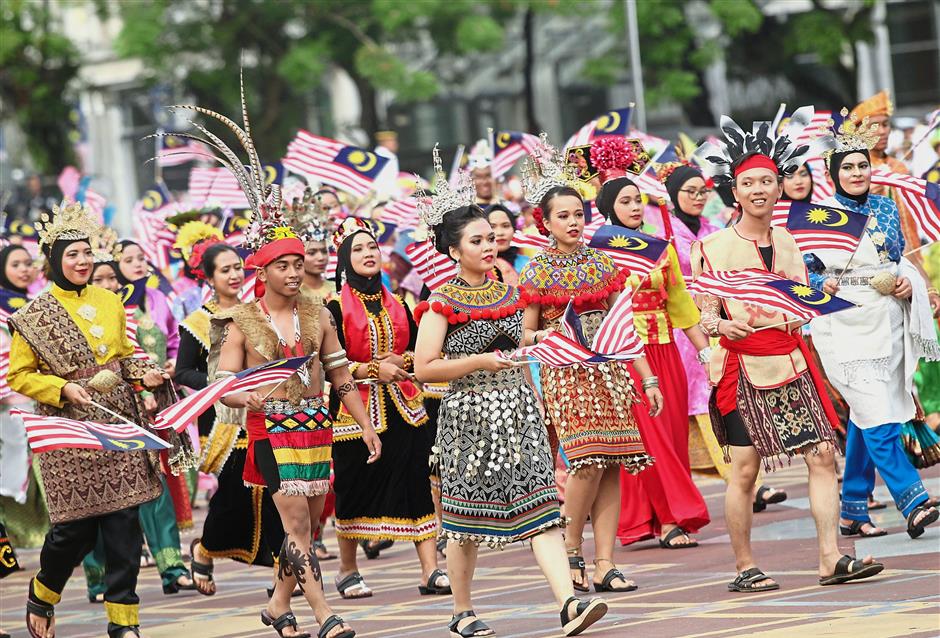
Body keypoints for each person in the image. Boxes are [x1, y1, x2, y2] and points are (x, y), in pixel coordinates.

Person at [183, 95, 379, 638]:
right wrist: (249, 397)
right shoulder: (239, 321)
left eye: (299, 264)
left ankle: (276, 606)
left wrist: (363, 426)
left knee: (313, 522)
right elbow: (222, 385)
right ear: (262, 271)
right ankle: (326, 615)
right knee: (297, 527)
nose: (295, 273)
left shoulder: (319, 313)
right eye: (284, 266)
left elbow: (340, 374)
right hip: (269, 432)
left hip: (317, 427)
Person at [412, 153, 609, 637]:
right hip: (469, 416)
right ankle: (462, 611)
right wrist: (479, 362)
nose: (489, 245)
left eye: (491, 238)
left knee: (543, 511)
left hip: (518, 410)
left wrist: (540, 344)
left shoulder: (510, 290)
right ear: (454, 250)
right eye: (476, 240)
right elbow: (424, 369)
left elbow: (517, 342)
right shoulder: (441, 301)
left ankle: (568, 604)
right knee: (464, 521)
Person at [691, 110, 884, 591]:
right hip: (743, 366)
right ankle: (744, 566)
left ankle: (830, 557)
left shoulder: (792, 239)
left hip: (793, 360)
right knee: (745, 469)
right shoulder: (711, 247)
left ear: (780, 188)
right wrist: (723, 325)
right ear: (734, 191)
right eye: (749, 182)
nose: (759, 190)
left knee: (822, 456)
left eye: (767, 181)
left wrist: (816, 304)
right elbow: (703, 315)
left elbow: (802, 299)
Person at [9, 202, 172, 638]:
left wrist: (147, 373)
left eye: (87, 253)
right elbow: (19, 376)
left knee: (124, 529)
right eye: (72, 255)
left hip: (117, 421)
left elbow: (123, 358)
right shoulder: (32, 316)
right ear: (55, 261)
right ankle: (43, 592)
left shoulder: (110, 301)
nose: (82, 262)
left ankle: (124, 624)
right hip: (70, 429)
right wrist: (61, 388)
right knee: (74, 533)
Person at [518, 137, 663, 595]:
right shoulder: (536, 271)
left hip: (610, 372)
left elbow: (623, 328)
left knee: (614, 463)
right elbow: (522, 335)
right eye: (563, 216)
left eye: (578, 214)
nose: (573, 222)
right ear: (545, 222)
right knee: (585, 461)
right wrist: (545, 335)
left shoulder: (604, 264)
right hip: (566, 374)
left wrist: (648, 377)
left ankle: (605, 562)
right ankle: (571, 546)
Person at [807, 111, 940, 539]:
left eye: (863, 164)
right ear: (832, 173)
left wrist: (909, 284)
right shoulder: (817, 216)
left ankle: (852, 507)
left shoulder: (884, 206)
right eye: (847, 166)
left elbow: (897, 257)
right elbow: (802, 272)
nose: (857, 172)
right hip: (845, 322)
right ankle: (913, 498)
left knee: (869, 411)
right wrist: (819, 280)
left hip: (888, 320)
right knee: (878, 413)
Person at [589, 139, 711, 549]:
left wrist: (705, 350)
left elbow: (679, 303)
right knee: (651, 437)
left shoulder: (663, 249)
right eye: (625, 202)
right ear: (609, 209)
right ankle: (675, 518)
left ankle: (648, 519)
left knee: (672, 437)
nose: (636, 207)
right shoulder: (600, 254)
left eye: (638, 200)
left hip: (667, 352)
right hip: (627, 357)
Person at [326, 216, 447, 599]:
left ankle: (430, 569)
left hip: (405, 405)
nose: (367, 254)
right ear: (345, 260)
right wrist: (374, 368)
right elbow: (332, 364)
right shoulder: (333, 307)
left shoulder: (401, 302)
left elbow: (416, 349)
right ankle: (347, 569)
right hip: (355, 409)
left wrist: (403, 362)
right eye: (358, 249)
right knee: (354, 485)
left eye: (372, 247)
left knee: (415, 482)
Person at [107, 238, 195, 594]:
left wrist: (172, 366)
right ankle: (106, 576)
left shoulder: (156, 298)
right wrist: (137, 390)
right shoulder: (105, 315)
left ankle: (172, 565)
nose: (138, 264)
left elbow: (173, 337)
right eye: (127, 260)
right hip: (113, 410)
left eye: (141, 258)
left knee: (160, 481)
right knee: (113, 497)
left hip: (158, 401)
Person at [0, 245, 50, 554]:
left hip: (44, 396)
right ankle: (15, 538)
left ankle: (54, 536)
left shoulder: (38, 303)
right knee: (14, 469)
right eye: (15, 264)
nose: (23, 269)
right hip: (11, 400)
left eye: (28, 263)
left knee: (46, 466)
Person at [486, 203, 529, 286]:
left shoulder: (528, 264)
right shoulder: (477, 267)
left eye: (506, 226)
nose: (500, 233)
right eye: (492, 227)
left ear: (514, 229)